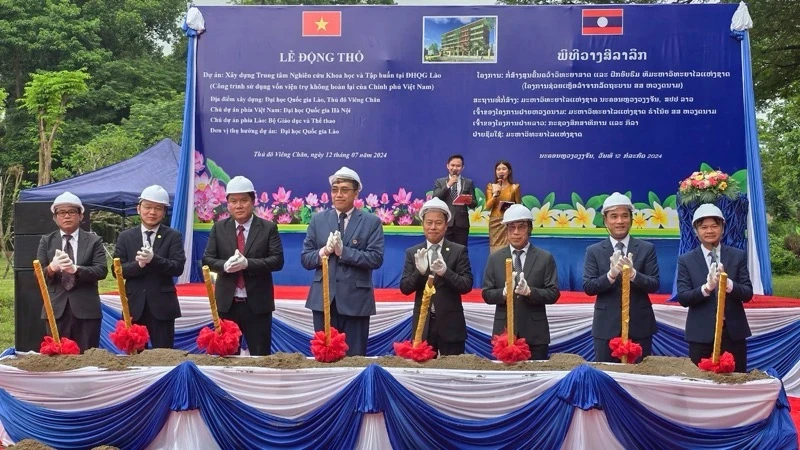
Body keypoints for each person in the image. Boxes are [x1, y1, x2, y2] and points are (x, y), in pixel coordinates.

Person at [301, 167, 384, 356]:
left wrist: (343, 252)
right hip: (323, 300)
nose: (338, 194)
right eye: (334, 189)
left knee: (354, 358)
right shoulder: (318, 220)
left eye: (345, 190)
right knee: (325, 356)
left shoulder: (371, 222)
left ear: (356, 193)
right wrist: (324, 251)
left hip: (356, 301)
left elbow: (375, 258)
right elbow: (306, 259)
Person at [202, 176, 284, 355]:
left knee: (260, 356)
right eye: (233, 201)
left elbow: (277, 261)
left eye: (244, 200)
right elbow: (207, 259)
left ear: (253, 201)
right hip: (227, 304)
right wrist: (224, 266)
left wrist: (248, 264)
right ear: (228, 204)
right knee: (226, 356)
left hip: (257, 304)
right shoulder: (219, 228)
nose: (239, 206)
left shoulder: (268, 228)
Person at [583, 192, 660, 363]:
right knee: (606, 377)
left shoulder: (646, 248)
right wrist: (611, 275)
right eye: (614, 216)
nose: (620, 221)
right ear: (605, 220)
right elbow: (589, 287)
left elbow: (654, 284)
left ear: (631, 219)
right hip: (606, 327)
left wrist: (633, 275)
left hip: (640, 325)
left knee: (640, 376)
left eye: (625, 216)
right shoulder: (593, 251)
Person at [677, 203, 753, 373]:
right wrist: (706, 288)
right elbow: (683, 297)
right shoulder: (686, 260)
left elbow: (747, 293)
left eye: (714, 226)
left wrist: (729, 284)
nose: (709, 231)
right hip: (701, 334)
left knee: (736, 381)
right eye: (704, 227)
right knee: (700, 383)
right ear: (696, 231)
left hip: (733, 333)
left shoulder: (737, 255)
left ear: (722, 228)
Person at [482, 204, 560, 360]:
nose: (516, 232)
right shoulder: (495, 258)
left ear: (529, 229)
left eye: (521, 227)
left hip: (535, 335)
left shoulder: (545, 258)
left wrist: (530, 292)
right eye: (511, 228)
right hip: (503, 335)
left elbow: (553, 293)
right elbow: (487, 293)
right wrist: (503, 294)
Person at [113, 185, 185, 349]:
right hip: (134, 305)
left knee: (164, 355)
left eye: (158, 208)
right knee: (135, 357)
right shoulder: (126, 237)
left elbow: (177, 267)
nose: (152, 212)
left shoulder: (173, 236)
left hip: (162, 306)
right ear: (138, 209)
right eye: (147, 207)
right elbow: (117, 270)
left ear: (164, 211)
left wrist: (154, 259)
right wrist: (139, 265)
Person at [399, 198, 473, 356]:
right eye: (429, 222)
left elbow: (466, 285)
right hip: (423, 326)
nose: (433, 227)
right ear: (423, 224)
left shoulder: (458, 251)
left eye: (438, 223)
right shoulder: (413, 252)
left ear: (446, 226)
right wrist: (419, 272)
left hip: (451, 326)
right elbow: (405, 288)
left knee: (453, 373)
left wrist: (446, 272)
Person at [36, 192, 108, 352]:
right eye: (61, 212)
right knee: (58, 358)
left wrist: (76, 269)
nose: (67, 216)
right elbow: (38, 274)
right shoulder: (46, 241)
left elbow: (102, 270)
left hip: (87, 309)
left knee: (87, 357)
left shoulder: (93, 241)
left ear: (81, 216)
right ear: (55, 217)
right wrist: (52, 268)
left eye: (72, 212)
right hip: (56, 310)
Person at [432, 154, 477, 247]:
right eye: (452, 165)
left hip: (462, 223)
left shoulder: (468, 182)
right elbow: (435, 197)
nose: (455, 168)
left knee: (461, 250)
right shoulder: (440, 182)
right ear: (447, 166)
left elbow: (474, 203)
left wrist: (468, 201)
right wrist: (448, 185)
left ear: (462, 167)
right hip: (445, 222)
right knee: (445, 250)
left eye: (458, 166)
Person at [484, 160, 521, 253]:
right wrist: (495, 194)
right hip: (495, 222)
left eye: (504, 169)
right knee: (495, 250)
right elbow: (487, 207)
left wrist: (511, 207)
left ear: (509, 171)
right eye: (498, 169)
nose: (501, 171)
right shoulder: (490, 187)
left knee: (510, 248)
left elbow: (518, 206)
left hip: (509, 221)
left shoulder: (514, 187)